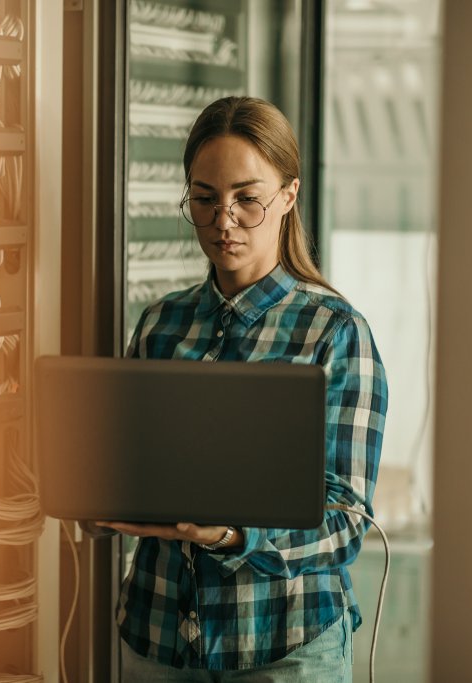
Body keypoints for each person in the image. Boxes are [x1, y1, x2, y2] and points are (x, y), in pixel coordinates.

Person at [96, 96, 389, 681]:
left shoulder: (335, 332)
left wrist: (232, 536)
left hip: (283, 646)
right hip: (154, 639)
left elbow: (346, 519)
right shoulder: (160, 324)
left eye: (246, 200)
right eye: (204, 199)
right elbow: (126, 474)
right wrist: (92, 495)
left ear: (288, 196)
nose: (222, 222)